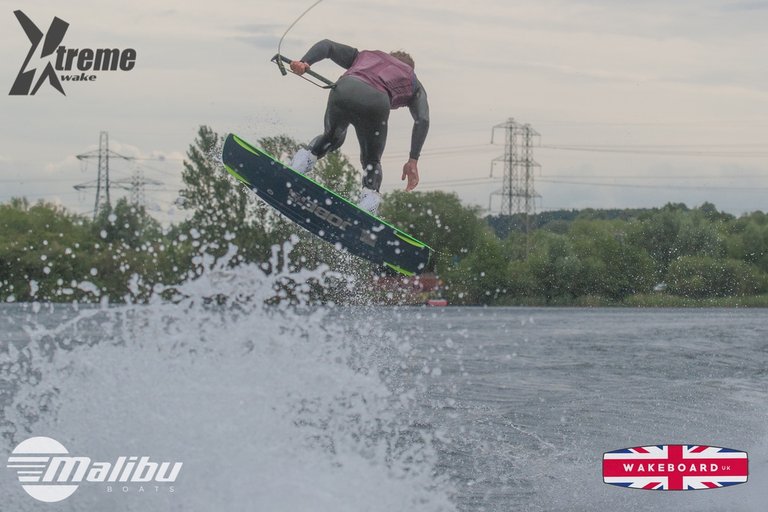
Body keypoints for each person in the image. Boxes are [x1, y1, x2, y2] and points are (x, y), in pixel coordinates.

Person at [289, 39, 429, 215]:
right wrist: (413, 159)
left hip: (344, 88)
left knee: (331, 138)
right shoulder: (411, 79)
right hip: (375, 101)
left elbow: (328, 46)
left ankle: (298, 165)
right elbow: (422, 119)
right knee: (371, 161)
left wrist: (304, 62)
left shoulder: (365, 56)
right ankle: (368, 204)